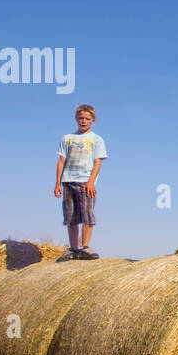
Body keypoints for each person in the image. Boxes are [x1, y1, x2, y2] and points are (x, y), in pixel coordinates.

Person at [53, 104, 106, 258]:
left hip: (85, 182)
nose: (83, 121)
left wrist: (91, 182)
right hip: (68, 181)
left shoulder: (96, 139)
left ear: (93, 121)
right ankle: (73, 248)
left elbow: (98, 163)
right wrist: (57, 183)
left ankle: (85, 247)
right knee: (70, 217)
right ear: (76, 119)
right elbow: (61, 161)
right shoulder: (67, 138)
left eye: (87, 119)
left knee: (87, 215)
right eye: (81, 118)